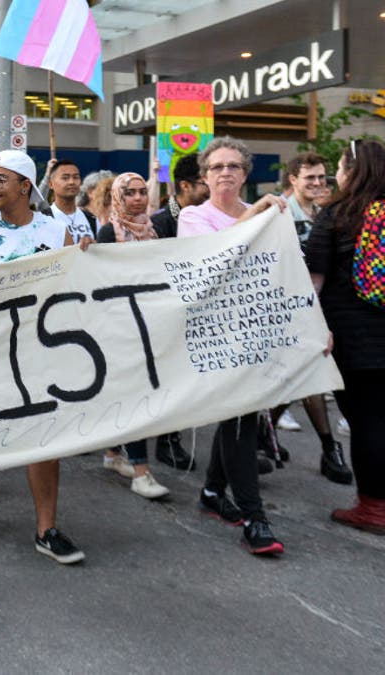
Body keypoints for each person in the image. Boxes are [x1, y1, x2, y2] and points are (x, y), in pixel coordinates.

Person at [0, 150, 90, 564]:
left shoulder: (55, 232)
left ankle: (46, 528)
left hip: (39, 347)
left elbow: (73, 284)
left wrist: (86, 257)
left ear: (25, 187)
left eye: (2, 179)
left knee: (44, 436)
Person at [178, 136, 288, 556]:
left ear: (246, 174)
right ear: (204, 177)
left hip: (258, 330)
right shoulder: (194, 216)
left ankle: (211, 492)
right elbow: (212, 258)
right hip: (216, 333)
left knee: (234, 418)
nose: (226, 172)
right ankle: (255, 518)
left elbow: (285, 271)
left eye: (234, 166)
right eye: (217, 166)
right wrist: (259, 213)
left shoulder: (265, 216)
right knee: (239, 419)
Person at [307, 139, 385, 534]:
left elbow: (314, 281)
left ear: (353, 171)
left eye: (339, 167)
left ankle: (372, 507)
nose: (336, 175)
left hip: (352, 338)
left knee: (366, 421)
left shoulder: (336, 214)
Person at [268, 153, 351, 483]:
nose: (318, 183)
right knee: (305, 372)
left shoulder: (322, 213)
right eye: (310, 178)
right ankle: (329, 448)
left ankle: (267, 434)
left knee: (301, 373)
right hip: (286, 309)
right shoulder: (279, 214)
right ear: (293, 179)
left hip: (316, 306)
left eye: (322, 177)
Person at [93, 172, 172, 499]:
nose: (138, 198)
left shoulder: (155, 229)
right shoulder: (109, 232)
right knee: (137, 392)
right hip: (121, 327)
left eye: (142, 192)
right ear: (117, 197)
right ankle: (142, 472)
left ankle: (113, 454)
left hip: (151, 322)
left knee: (130, 392)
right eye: (130, 193)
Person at [149, 153, 208, 470]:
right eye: (204, 181)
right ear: (185, 186)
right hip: (167, 315)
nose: (210, 186)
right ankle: (166, 441)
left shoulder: (210, 219)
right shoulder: (159, 224)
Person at [45, 158, 96, 243]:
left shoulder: (92, 219)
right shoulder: (43, 218)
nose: (71, 182)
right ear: (51, 184)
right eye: (65, 178)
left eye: (76, 177)